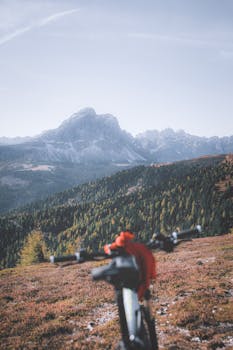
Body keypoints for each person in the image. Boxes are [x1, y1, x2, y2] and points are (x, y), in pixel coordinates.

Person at [104, 230, 156, 301]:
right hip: (140, 281)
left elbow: (108, 248)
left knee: (122, 296)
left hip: (128, 281)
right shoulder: (140, 249)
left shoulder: (119, 246)